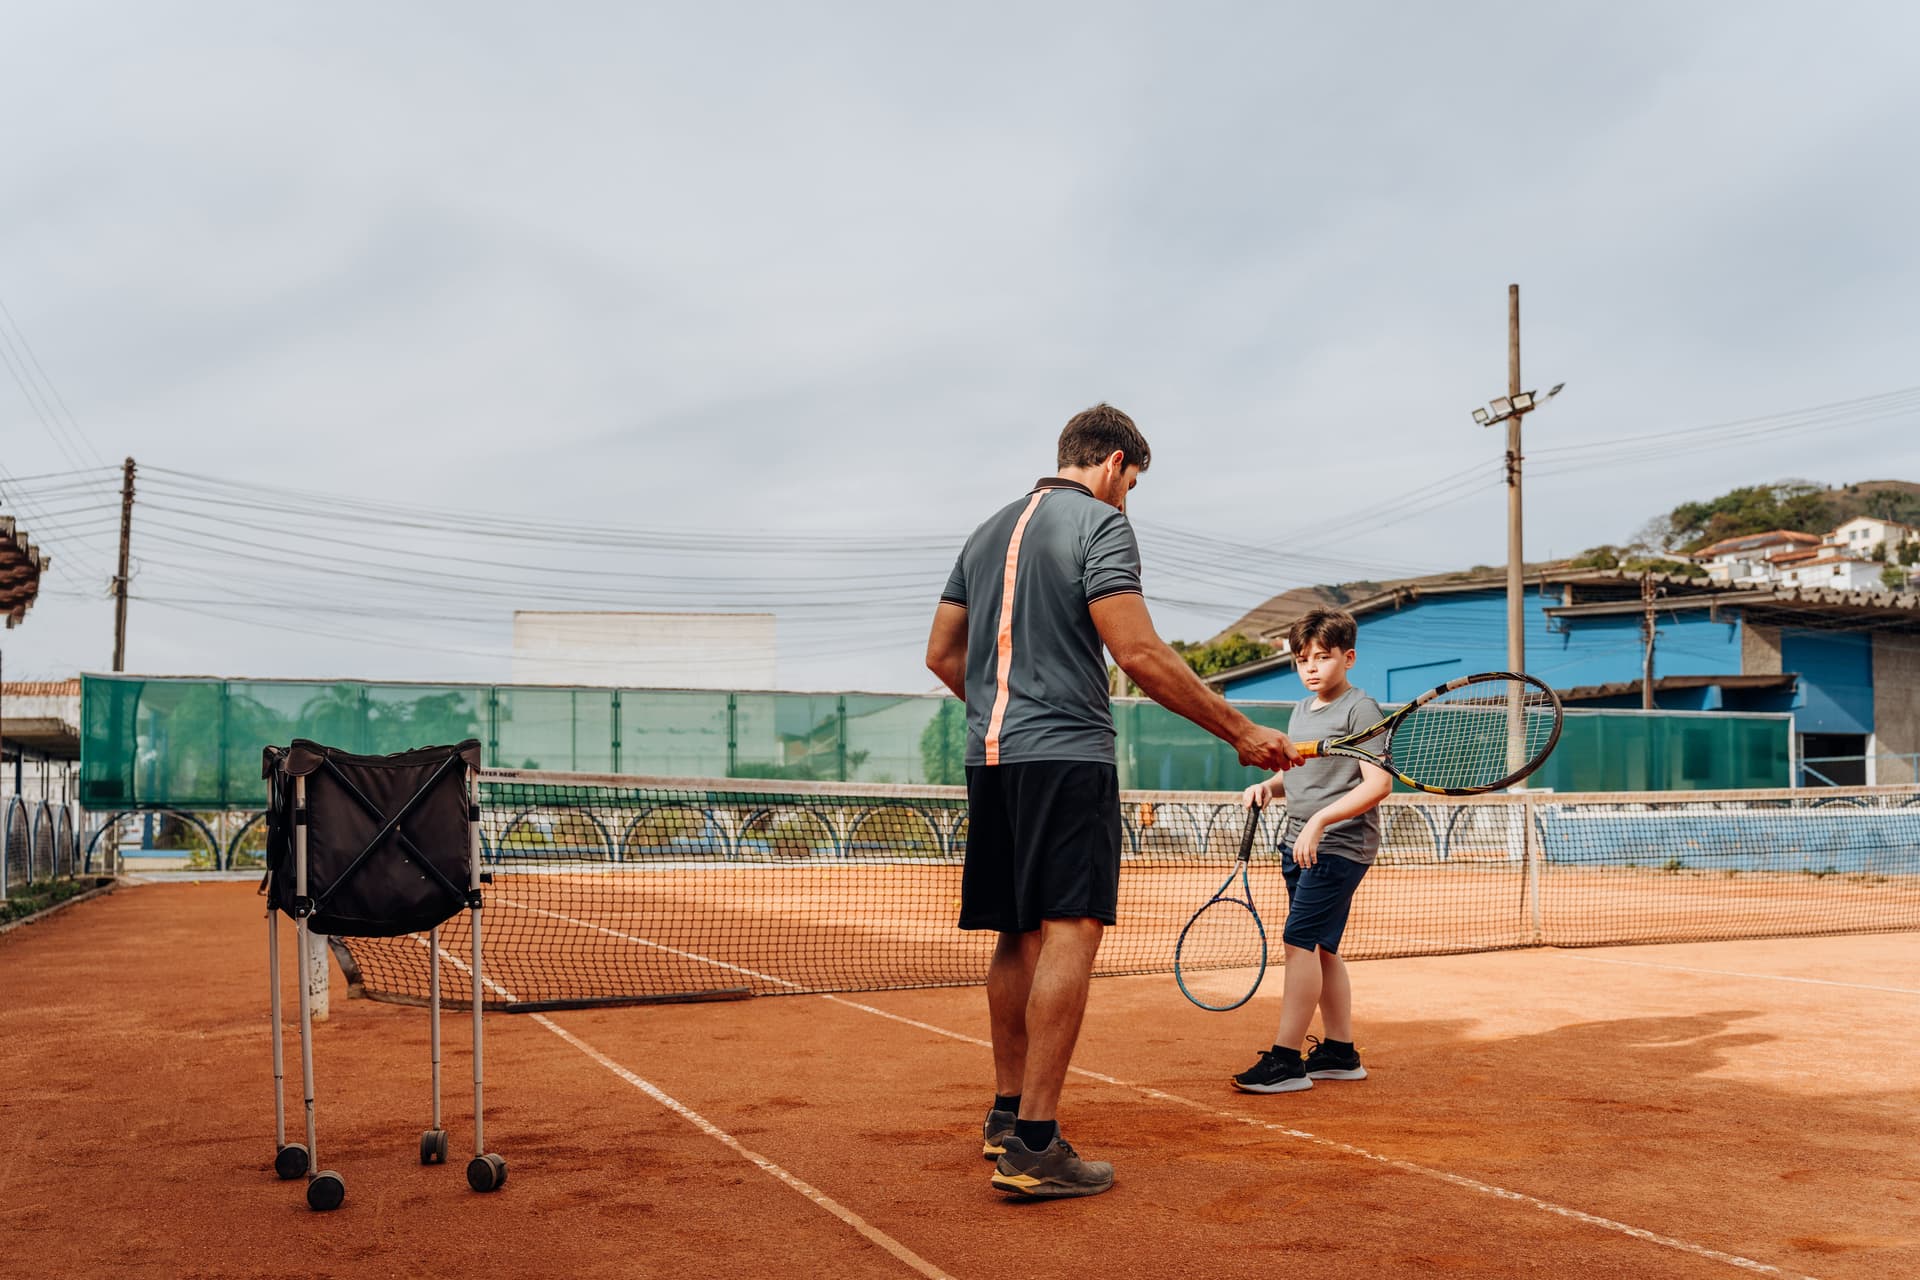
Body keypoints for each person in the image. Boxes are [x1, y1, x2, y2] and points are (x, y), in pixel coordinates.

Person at [924, 403, 1300, 1199]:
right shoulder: (1101, 524)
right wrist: (1239, 730)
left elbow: (941, 655)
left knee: (1016, 932)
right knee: (1071, 927)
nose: (1129, 498)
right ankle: (1036, 1144)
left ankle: (1005, 1115)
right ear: (1115, 464)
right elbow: (1137, 650)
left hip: (992, 759)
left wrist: (1005, 709)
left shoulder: (984, 532)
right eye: (1132, 483)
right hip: (1066, 756)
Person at [1230, 607, 1393, 1094]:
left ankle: (1286, 1060)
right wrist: (1269, 787)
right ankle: (1340, 1053)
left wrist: (1320, 822)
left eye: (1322, 657)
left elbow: (1378, 784)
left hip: (1339, 846)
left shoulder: (1361, 710)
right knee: (1321, 946)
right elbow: (1303, 774)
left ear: (1349, 657)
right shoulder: (1301, 711)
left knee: (1298, 941)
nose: (1312, 668)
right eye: (1302, 659)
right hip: (1298, 842)